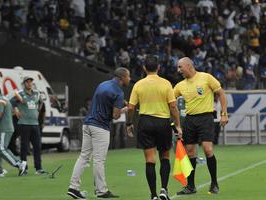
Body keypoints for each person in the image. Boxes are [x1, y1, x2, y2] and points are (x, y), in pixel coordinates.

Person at [67, 68, 131, 199]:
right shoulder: (118, 92)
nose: (129, 79)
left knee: (83, 157)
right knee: (99, 160)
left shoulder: (102, 84)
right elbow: (115, 116)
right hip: (100, 127)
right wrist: (126, 109)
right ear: (122, 77)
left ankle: (73, 187)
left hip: (87, 124)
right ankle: (101, 191)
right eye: (128, 76)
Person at [126, 55, 182, 200]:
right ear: (158, 68)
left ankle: (153, 195)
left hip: (145, 122)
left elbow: (131, 107)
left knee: (150, 160)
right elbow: (173, 107)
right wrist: (177, 125)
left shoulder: (138, 84)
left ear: (144, 68)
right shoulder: (166, 84)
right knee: (165, 157)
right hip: (162, 122)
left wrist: (129, 123)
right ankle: (164, 189)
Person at [174, 57, 228, 195]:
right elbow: (170, 100)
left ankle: (214, 183)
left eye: (180, 67)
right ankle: (190, 186)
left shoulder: (206, 77)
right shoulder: (180, 86)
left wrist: (224, 113)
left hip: (206, 117)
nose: (178, 70)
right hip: (190, 120)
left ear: (188, 65)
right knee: (190, 152)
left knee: (207, 149)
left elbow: (221, 93)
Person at [0, 85, 27, 177]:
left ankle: (19, 164)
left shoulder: (0, 101)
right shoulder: (5, 99)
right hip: (4, 128)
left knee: (2, 148)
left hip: (4, 129)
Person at [10, 76, 47, 175]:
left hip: (35, 124)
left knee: (37, 147)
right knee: (24, 148)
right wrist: (16, 109)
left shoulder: (36, 93)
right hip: (24, 124)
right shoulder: (20, 94)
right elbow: (11, 102)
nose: (29, 83)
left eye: (30, 81)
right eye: (27, 82)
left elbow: (41, 103)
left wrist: (37, 112)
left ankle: (38, 169)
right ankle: (24, 169)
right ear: (24, 84)